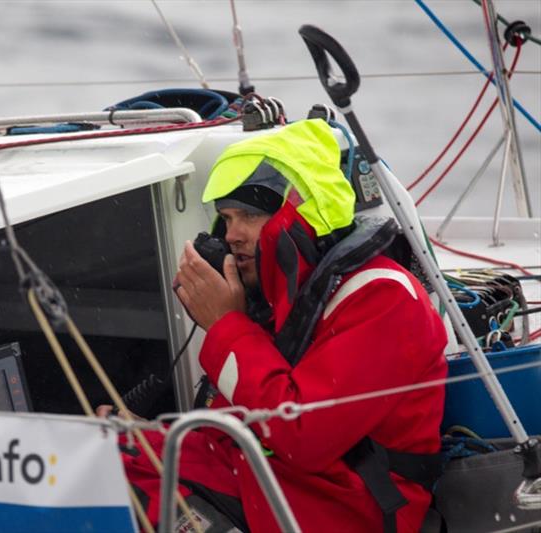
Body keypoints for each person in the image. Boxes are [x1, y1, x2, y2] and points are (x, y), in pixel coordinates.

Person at [113, 119, 448, 533]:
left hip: (342, 505)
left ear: (301, 213)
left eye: (250, 215)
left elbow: (303, 437)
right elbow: (236, 429)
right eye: (226, 218)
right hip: (271, 478)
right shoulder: (284, 296)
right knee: (107, 457)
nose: (232, 235)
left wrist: (226, 325)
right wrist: (144, 436)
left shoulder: (384, 299)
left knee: (123, 496)